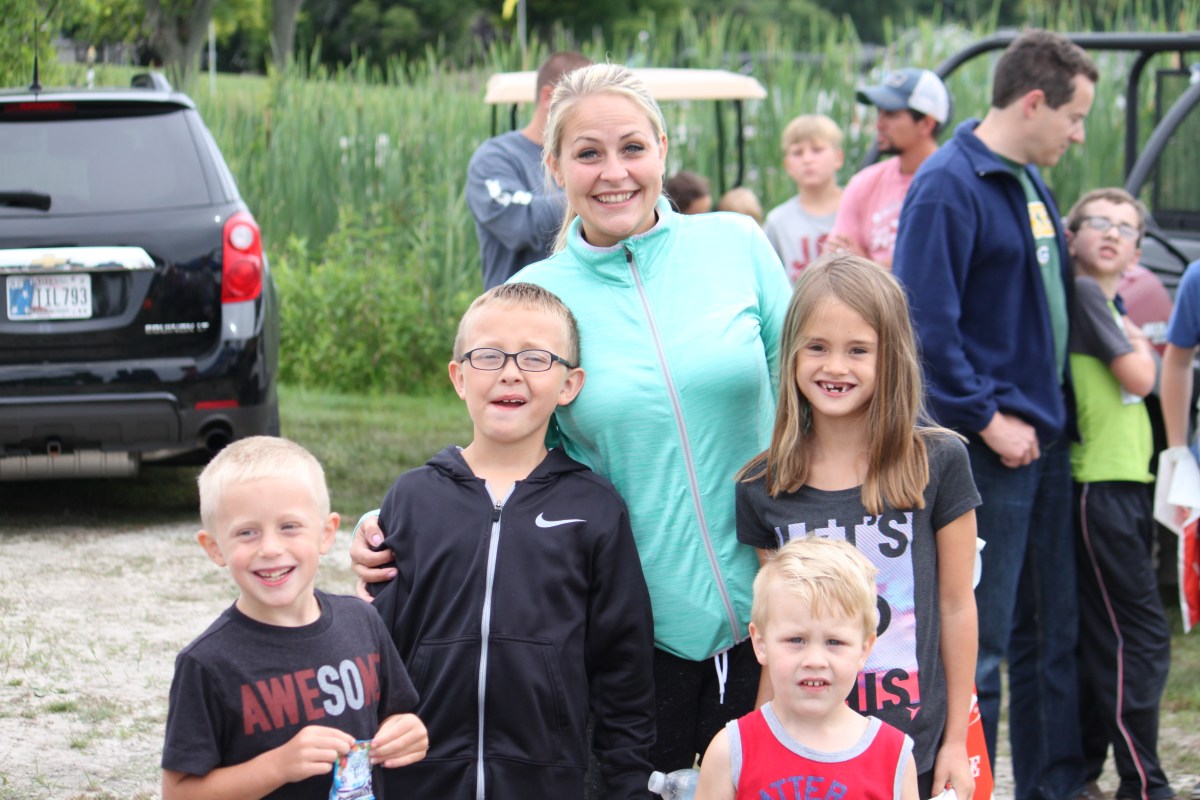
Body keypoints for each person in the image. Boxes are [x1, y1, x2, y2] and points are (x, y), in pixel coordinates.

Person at [353, 62, 792, 777]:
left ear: (662, 149)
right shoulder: (536, 296)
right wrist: (394, 522)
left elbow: (808, 399)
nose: (614, 172)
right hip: (635, 635)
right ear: (555, 167)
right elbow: (508, 447)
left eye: (632, 147)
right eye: (588, 153)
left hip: (776, 616)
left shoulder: (737, 245)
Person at [891, 29, 1099, 800]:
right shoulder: (949, 185)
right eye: (1074, 117)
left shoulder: (1029, 180)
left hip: (1043, 444)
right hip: (986, 450)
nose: (1079, 135)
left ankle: (1052, 786)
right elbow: (922, 326)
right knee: (980, 637)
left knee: (1051, 632)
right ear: (1034, 102)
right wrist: (986, 418)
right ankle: (965, 784)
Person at [365, 282, 656, 798]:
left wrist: (627, 784)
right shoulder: (412, 498)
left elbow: (623, 665)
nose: (510, 372)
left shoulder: (594, 508)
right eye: (488, 355)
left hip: (544, 780)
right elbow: (377, 647)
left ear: (569, 384)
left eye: (536, 358)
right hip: (420, 776)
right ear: (458, 377)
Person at [735, 253, 980, 800]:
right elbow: (775, 630)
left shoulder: (939, 463)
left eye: (858, 350)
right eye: (817, 347)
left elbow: (956, 606)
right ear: (791, 355)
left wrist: (956, 742)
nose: (835, 367)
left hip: (913, 746)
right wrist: (759, 746)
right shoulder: (761, 487)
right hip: (806, 752)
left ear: (890, 357)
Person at [161, 436, 428, 800]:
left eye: (289, 526)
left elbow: (394, 716)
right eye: (247, 532)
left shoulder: (362, 622)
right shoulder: (206, 664)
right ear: (214, 547)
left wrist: (408, 731)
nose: (271, 548)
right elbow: (179, 792)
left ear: (326, 533)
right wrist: (278, 766)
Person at [1064, 187, 1175, 800]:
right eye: (1099, 222)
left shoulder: (1112, 302)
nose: (1112, 234)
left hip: (1126, 486)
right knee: (1140, 635)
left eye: (1126, 228)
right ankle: (1144, 782)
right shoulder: (1087, 296)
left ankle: (1096, 772)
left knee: (1111, 634)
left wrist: (1135, 339)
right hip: (1099, 487)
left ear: (1137, 252)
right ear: (1072, 235)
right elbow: (1142, 375)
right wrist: (1138, 344)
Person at [695, 536, 920, 800]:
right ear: (761, 643)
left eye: (834, 642)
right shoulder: (730, 752)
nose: (815, 660)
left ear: (864, 649)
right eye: (796, 640)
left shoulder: (894, 757)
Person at [466, 51, 592, 289]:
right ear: (549, 98)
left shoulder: (599, 162)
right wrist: (596, 197)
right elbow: (520, 223)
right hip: (517, 307)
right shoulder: (494, 158)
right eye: (583, 101)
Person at [826, 68, 951, 269]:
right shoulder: (864, 182)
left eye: (891, 114)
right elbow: (836, 263)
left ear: (926, 124)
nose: (879, 124)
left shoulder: (953, 183)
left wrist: (865, 264)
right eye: (879, 112)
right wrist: (881, 267)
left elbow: (931, 268)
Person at [763, 114, 845, 283]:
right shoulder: (777, 221)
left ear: (838, 158)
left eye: (817, 150)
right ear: (787, 165)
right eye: (797, 153)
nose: (807, 159)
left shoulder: (859, 208)